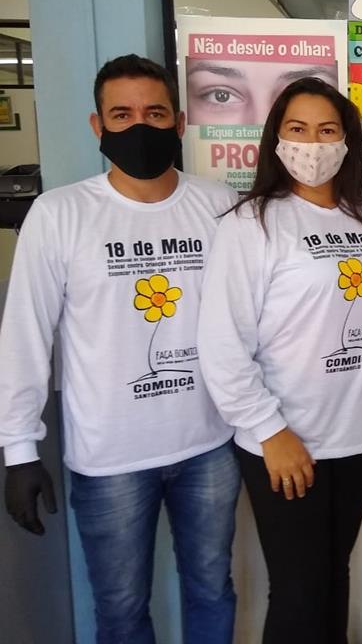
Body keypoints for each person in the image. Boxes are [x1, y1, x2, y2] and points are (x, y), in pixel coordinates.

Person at [0, 54, 240, 642]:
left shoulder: (219, 205)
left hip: (210, 443)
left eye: (155, 113)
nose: (140, 126)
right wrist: (19, 450)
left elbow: (247, 321)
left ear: (180, 123)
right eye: (122, 114)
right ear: (97, 125)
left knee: (212, 590)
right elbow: (25, 334)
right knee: (122, 610)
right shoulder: (59, 215)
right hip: (110, 457)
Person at [197, 77, 362, 643]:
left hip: (359, 435)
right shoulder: (253, 223)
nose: (312, 144)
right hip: (287, 440)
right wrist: (271, 432)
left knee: (332, 573)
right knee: (296, 588)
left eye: (327, 130)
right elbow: (223, 344)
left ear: (347, 142)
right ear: (277, 139)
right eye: (298, 129)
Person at [185, 57, 340, 126]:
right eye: (221, 96)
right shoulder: (219, 194)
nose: (263, 124)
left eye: (327, 130)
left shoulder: (358, 194)